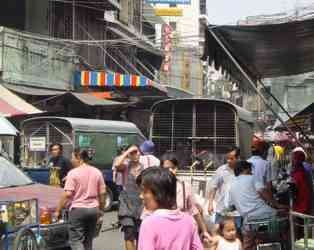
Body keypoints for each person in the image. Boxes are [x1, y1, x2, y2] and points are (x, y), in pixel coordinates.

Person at [137, 167, 204, 250]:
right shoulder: (189, 221)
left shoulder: (148, 224)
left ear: (159, 194)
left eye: (144, 192)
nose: (141, 196)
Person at [228, 161, 287, 250]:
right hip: (267, 216)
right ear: (245, 169)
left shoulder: (231, 185)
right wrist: (276, 204)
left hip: (249, 221)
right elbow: (262, 191)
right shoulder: (251, 178)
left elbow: (231, 206)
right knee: (287, 221)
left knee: (247, 245)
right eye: (250, 169)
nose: (251, 172)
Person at [55, 148, 106, 250]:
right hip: (93, 209)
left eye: (73, 157)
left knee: (76, 241)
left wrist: (57, 210)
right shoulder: (97, 172)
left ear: (79, 158)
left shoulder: (73, 173)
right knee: (88, 240)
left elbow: (67, 194)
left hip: (78, 210)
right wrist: (101, 210)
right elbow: (102, 193)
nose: (71, 160)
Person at [159, 152, 211, 243]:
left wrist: (204, 231)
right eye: (167, 168)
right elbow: (149, 213)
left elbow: (194, 210)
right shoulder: (157, 187)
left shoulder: (184, 186)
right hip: (162, 233)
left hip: (182, 234)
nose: (171, 171)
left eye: (173, 168)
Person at [114, 144, 146, 250]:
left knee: (141, 236)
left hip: (142, 205)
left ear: (140, 153)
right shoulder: (125, 166)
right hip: (126, 204)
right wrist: (127, 153)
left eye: (136, 151)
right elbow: (117, 165)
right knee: (129, 234)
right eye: (132, 153)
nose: (134, 154)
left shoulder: (144, 168)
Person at [207, 147, 242, 229]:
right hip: (222, 210)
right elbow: (213, 187)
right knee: (218, 234)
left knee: (235, 234)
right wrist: (210, 203)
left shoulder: (242, 171)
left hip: (237, 212)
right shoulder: (221, 170)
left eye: (231, 158)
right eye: (227, 158)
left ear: (238, 158)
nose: (228, 161)